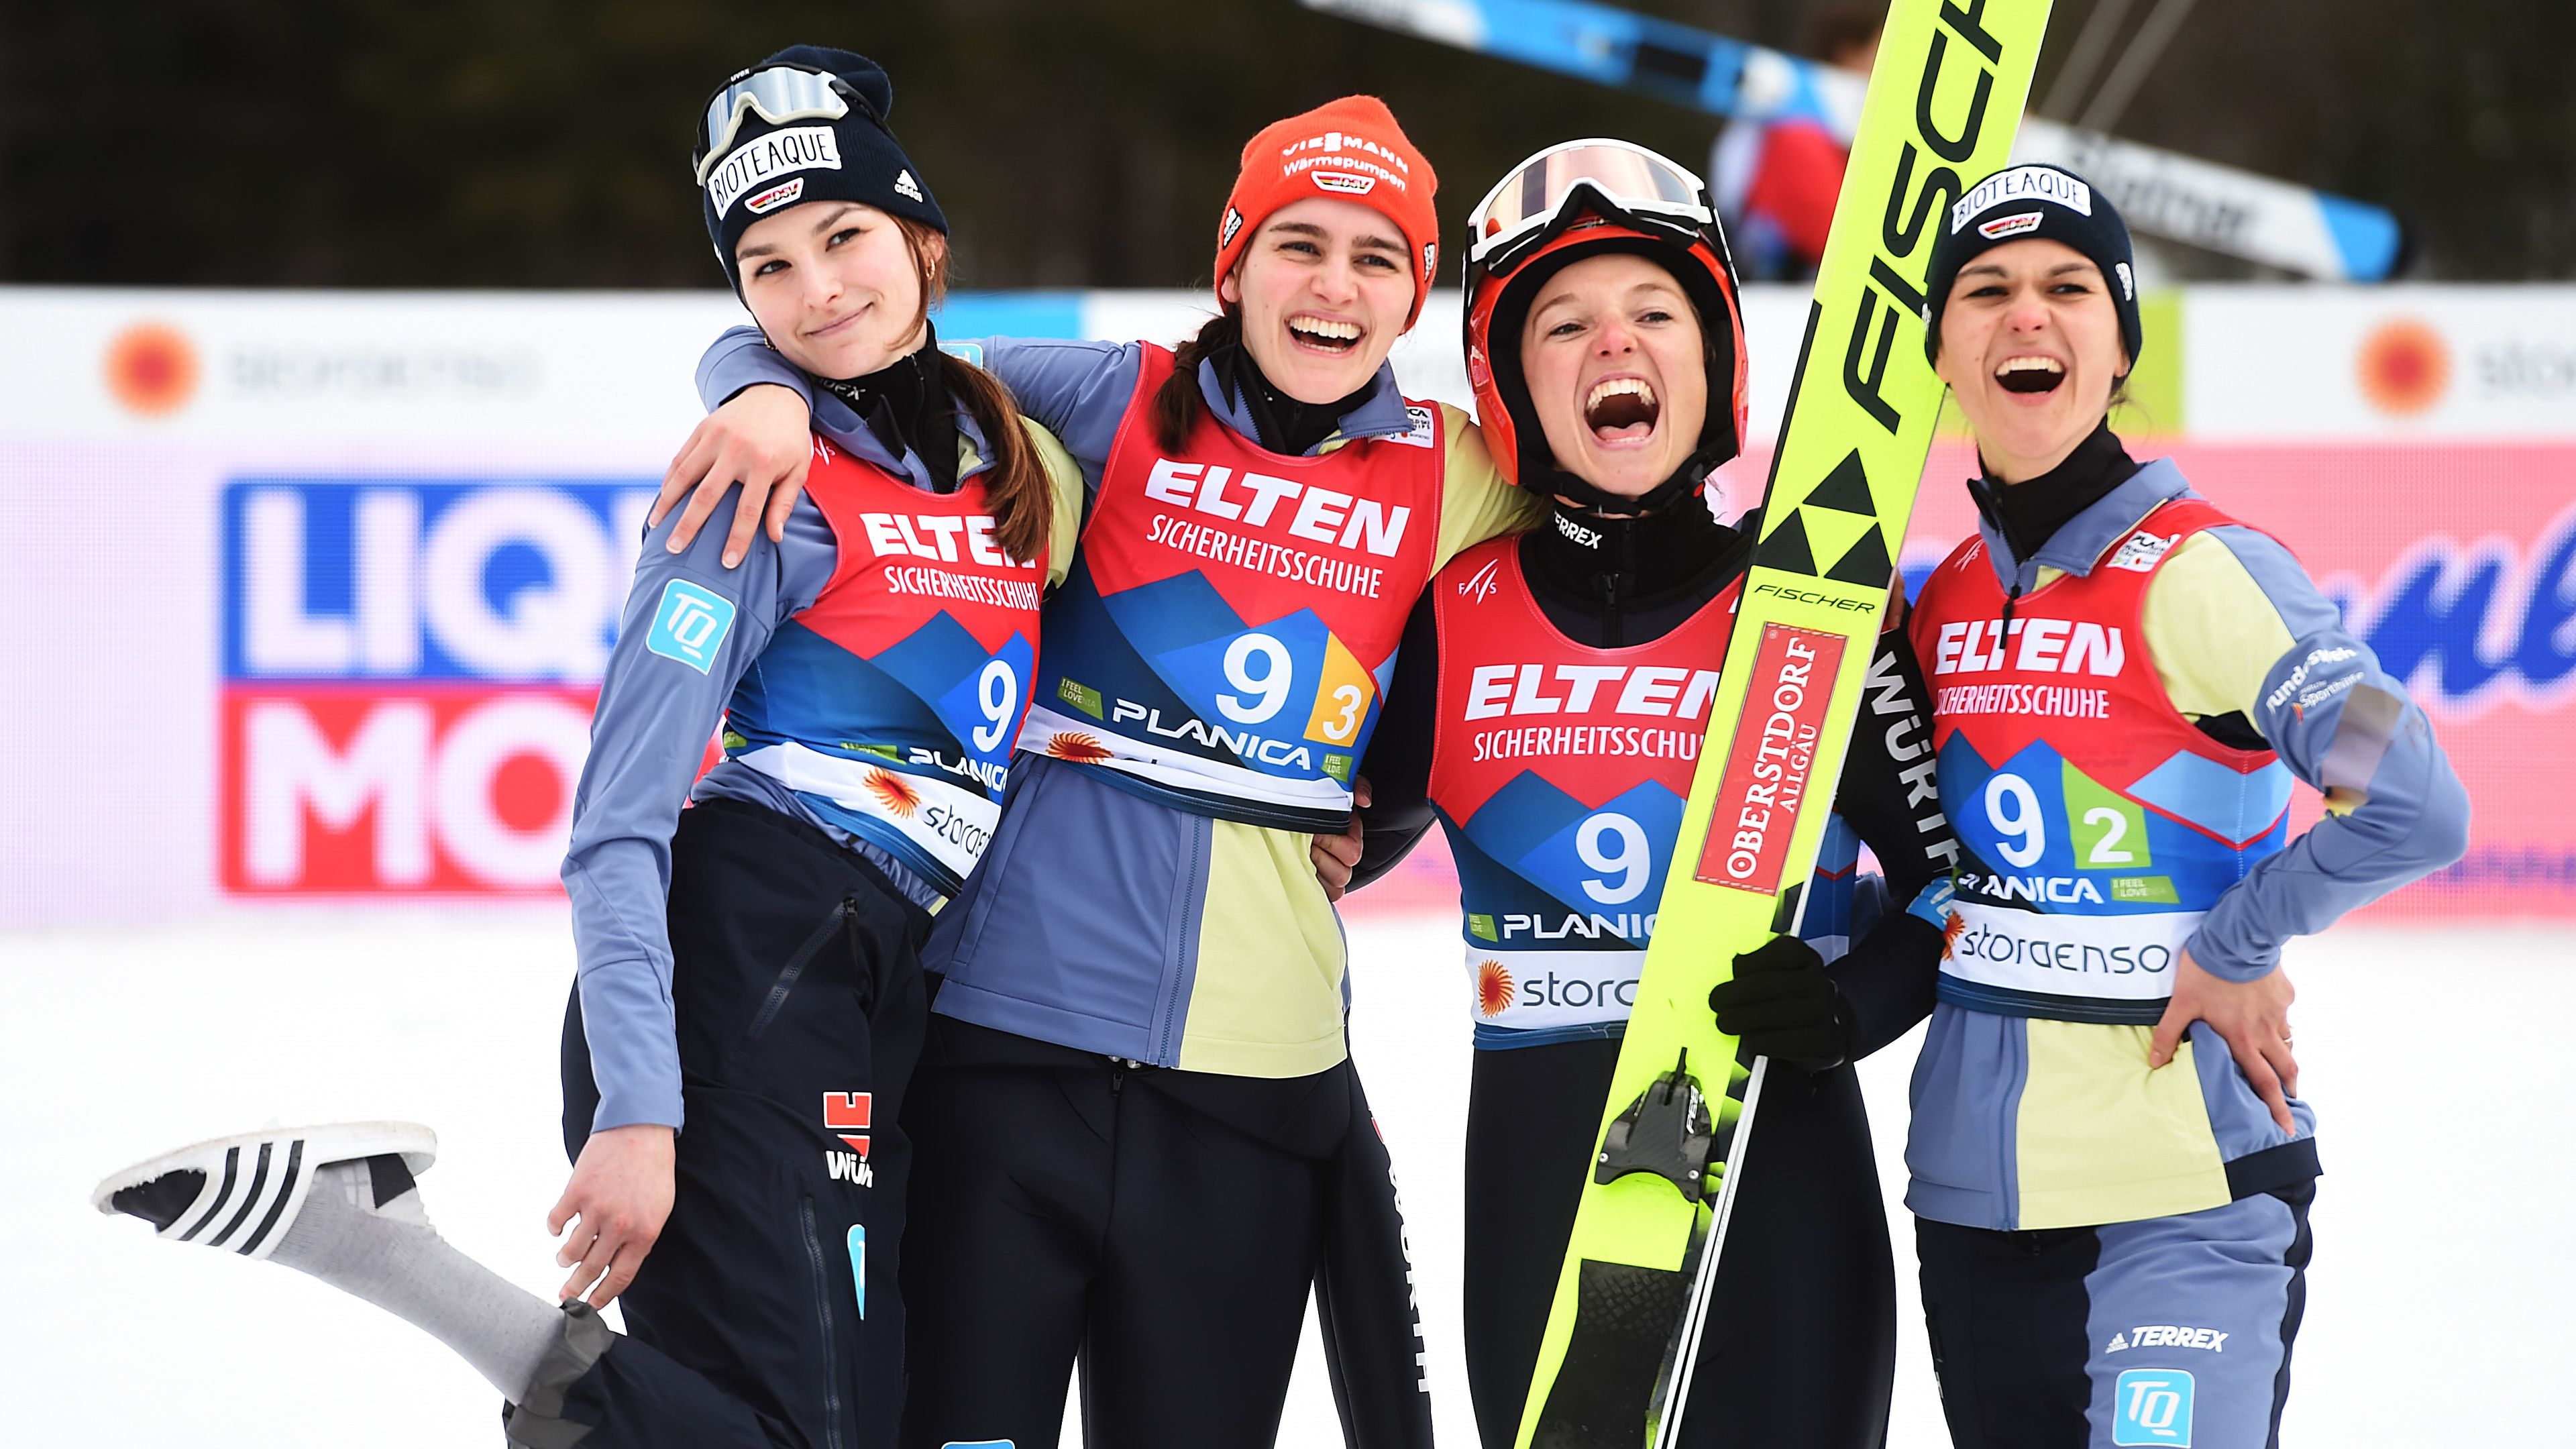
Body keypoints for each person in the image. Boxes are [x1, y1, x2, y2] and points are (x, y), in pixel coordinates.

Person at [93, 48, 1084, 1449]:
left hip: (881, 984)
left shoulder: (1003, 455)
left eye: (845, 238)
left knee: (869, 1426)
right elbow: (619, 823)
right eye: (767, 269)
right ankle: (379, 1249)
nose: (817, 292)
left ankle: (372, 1231)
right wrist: (637, 1110)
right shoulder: (741, 490)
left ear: (921, 241)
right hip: (746, 965)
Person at [662, 97, 1538, 1449]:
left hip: (1253, 1086)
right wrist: (761, 391)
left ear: (1415, 293)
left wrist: (1398, 799)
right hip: (1002, 1053)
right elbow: (858, 343)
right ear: (1230, 267)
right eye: (1298, 244)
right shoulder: (1106, 395)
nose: (1334, 286)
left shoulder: (1454, 471)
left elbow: (1612, 546)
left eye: (1378, 258)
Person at [1322, 139, 1957, 1448]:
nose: (1616, 344)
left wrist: (1852, 1004)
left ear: (1713, 359)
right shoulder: (1445, 621)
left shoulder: (1816, 613)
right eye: (1565, 322)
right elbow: (1320, 843)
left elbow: (1963, 890)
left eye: (1655, 311)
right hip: (1539, 1212)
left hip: (1784, 1205)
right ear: (1511, 383)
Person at [1901, 162, 2470, 1448]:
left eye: (2066, 289)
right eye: (1985, 291)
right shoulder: (1940, 604)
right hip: (1976, 1214)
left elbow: (2416, 793)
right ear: (1942, 348)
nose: (2025, 316)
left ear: (2121, 344)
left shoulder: (2212, 569)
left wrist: (2237, 939)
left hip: (2184, 1201)